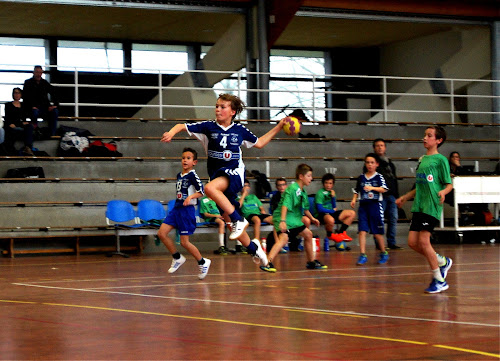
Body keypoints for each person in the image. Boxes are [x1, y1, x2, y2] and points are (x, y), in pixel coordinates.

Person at [161, 93, 286, 267]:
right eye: (217, 106)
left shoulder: (239, 130)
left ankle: (239, 220)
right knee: (229, 224)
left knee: (211, 190)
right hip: (218, 178)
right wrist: (172, 132)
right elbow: (182, 126)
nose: (218, 109)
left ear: (232, 111)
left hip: (234, 174)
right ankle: (256, 251)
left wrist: (279, 127)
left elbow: (259, 143)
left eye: (223, 107)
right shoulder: (208, 128)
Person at [396, 125, 453, 293]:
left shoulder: (441, 160)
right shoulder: (422, 159)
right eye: (424, 135)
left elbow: (449, 184)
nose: (425, 138)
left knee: (423, 241)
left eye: (429, 135)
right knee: (412, 242)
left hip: (432, 204)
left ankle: (439, 279)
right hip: (419, 205)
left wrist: (443, 191)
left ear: (438, 140)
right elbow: (420, 185)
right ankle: (442, 261)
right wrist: (406, 197)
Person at [260, 164, 327, 273]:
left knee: (308, 234)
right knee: (284, 239)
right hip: (284, 217)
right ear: (301, 176)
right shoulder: (292, 189)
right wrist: (282, 221)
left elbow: (305, 209)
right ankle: (267, 262)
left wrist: (312, 218)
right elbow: (285, 205)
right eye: (309, 176)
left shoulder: (303, 191)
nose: (311, 178)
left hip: (294, 219)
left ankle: (311, 262)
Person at [157, 147, 211, 280]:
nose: (185, 160)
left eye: (188, 158)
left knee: (184, 242)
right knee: (161, 233)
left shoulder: (193, 175)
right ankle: (177, 257)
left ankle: (203, 262)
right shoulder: (179, 175)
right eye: (183, 158)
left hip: (187, 211)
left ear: (194, 162)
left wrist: (190, 197)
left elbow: (202, 192)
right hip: (177, 209)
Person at [351, 153, 390, 266]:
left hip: (375, 206)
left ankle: (383, 252)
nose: (369, 165)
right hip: (363, 207)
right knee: (362, 231)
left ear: (377, 164)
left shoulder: (379, 177)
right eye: (367, 162)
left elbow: (384, 189)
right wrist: (354, 199)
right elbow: (356, 190)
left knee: (377, 233)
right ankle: (362, 254)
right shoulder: (361, 177)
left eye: (372, 162)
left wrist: (372, 188)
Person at [371, 138, 403, 250]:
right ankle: (379, 243)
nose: (380, 147)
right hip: (379, 195)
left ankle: (391, 242)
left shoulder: (390, 163)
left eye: (382, 145)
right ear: (374, 148)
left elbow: (394, 180)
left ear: (385, 147)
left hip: (391, 195)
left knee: (393, 218)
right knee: (378, 219)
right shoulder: (372, 163)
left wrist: (398, 197)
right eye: (378, 145)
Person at [315, 173, 355, 251]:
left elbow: (334, 206)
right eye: (326, 183)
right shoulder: (320, 193)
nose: (328, 185)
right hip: (322, 214)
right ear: (323, 183)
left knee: (351, 213)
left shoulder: (332, 192)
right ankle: (329, 235)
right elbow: (320, 209)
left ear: (333, 184)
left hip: (331, 212)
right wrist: (331, 211)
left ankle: (341, 233)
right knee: (330, 220)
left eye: (330, 183)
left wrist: (333, 197)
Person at [22, 65, 59, 136]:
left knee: (55, 111)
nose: (38, 74)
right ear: (33, 73)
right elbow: (25, 97)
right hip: (33, 108)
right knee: (34, 112)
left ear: (42, 73)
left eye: (40, 72)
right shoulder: (28, 82)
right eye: (37, 72)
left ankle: (52, 133)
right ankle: (35, 131)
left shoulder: (45, 83)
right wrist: (31, 106)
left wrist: (55, 105)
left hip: (45, 108)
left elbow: (54, 93)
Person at [238, 179, 273, 246]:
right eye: (244, 186)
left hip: (258, 214)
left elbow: (261, 207)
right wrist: (244, 195)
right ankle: (257, 240)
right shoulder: (238, 198)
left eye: (247, 186)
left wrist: (263, 211)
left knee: (275, 219)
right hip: (248, 215)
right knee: (257, 219)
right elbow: (239, 206)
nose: (246, 188)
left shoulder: (253, 197)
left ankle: (276, 241)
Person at [3, 87, 35, 155]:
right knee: (11, 129)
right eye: (15, 93)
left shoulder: (24, 105)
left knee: (29, 127)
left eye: (18, 93)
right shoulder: (8, 105)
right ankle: (10, 150)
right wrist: (20, 123)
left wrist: (21, 123)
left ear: (21, 94)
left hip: (20, 125)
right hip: (12, 126)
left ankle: (28, 147)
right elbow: (8, 119)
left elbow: (25, 118)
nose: (16, 94)